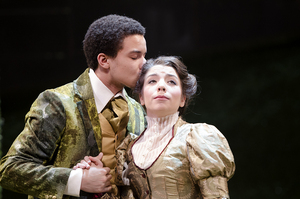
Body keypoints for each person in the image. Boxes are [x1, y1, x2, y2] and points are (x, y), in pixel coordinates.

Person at [0, 14, 147, 199]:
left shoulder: (137, 110)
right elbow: (10, 168)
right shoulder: (58, 102)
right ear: (104, 60)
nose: (145, 64)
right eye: (135, 57)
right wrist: (77, 180)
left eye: (144, 55)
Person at [76, 56, 235, 199]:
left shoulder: (198, 137)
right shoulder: (127, 149)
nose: (161, 86)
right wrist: (98, 180)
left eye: (171, 82)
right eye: (152, 81)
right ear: (141, 97)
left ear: (182, 99)